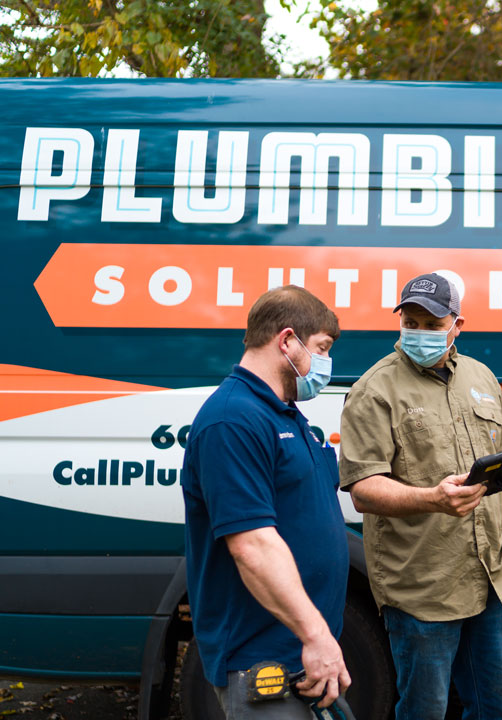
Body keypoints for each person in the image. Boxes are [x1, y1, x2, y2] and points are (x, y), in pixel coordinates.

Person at [338, 272, 502, 720]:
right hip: (423, 586)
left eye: (432, 323)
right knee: (425, 710)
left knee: (496, 706)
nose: (419, 332)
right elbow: (363, 490)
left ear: (458, 325)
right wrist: (433, 499)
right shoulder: (373, 390)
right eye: (411, 321)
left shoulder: (481, 377)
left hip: (490, 578)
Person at [181, 286, 351, 719]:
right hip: (263, 663)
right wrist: (315, 635)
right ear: (287, 340)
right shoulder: (232, 420)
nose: (326, 363)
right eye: (322, 348)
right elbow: (252, 545)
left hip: (304, 658)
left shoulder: (286, 414)